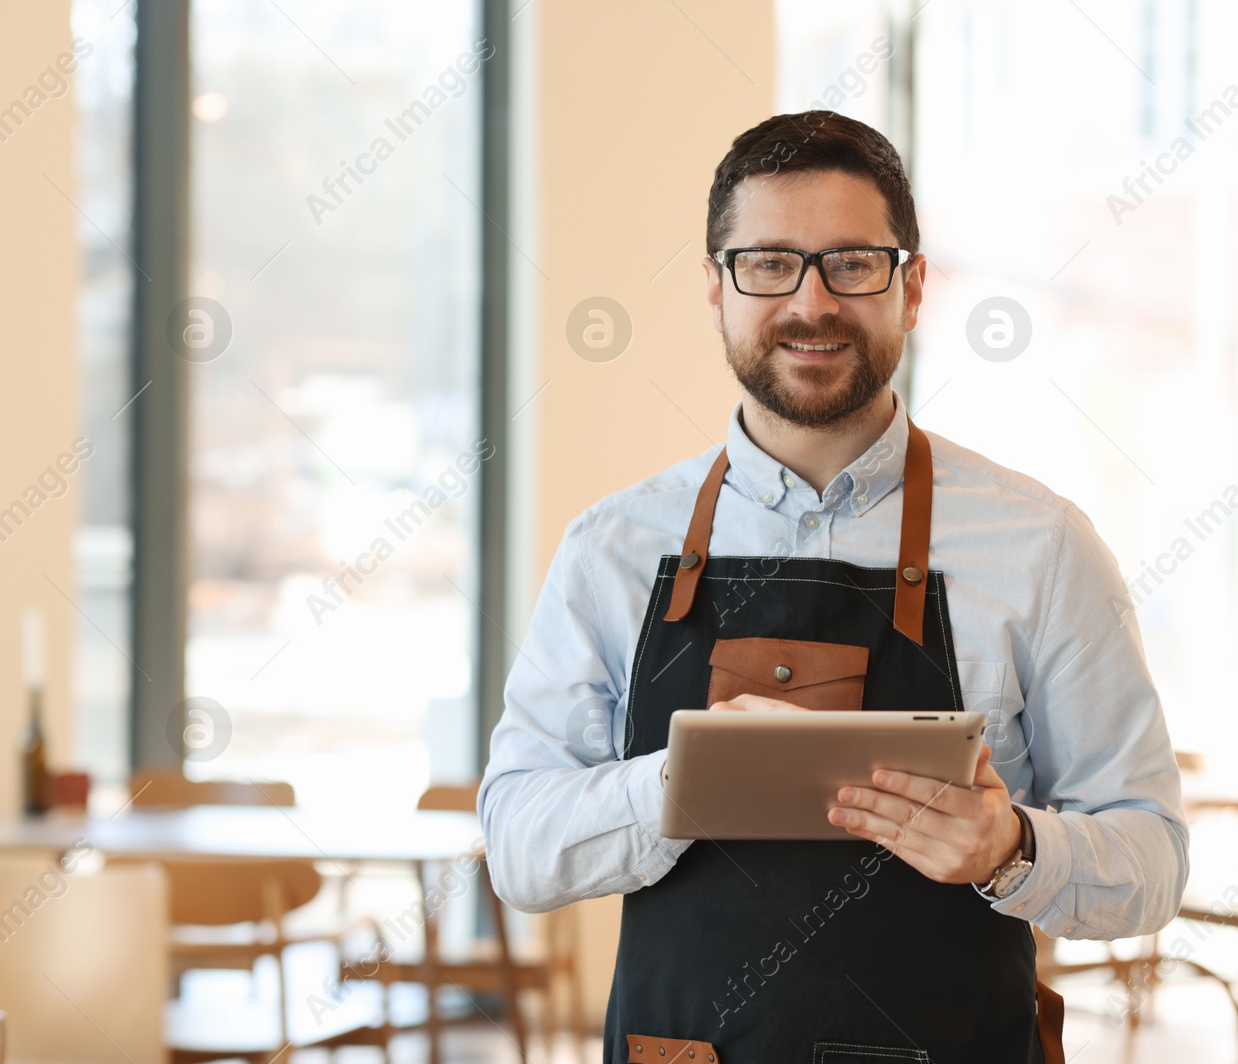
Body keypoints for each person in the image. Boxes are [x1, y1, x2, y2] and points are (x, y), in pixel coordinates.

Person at [480, 109, 1188, 1064]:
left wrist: (1011, 847)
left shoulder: (1043, 546)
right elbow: (520, 847)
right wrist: (678, 786)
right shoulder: (610, 547)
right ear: (715, 286)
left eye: (852, 262)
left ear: (914, 284)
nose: (811, 303)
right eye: (769, 262)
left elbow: (1153, 858)